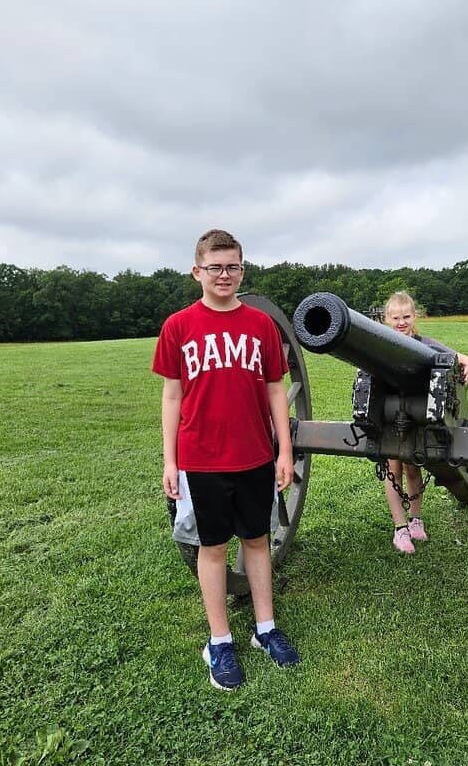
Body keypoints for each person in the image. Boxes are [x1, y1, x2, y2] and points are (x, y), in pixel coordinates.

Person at [152, 229, 301, 691]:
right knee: (213, 548)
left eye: (232, 266)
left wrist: (285, 450)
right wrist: (170, 460)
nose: (224, 275)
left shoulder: (259, 325)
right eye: (215, 267)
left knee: (256, 541)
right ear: (197, 271)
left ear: (242, 270)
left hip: (254, 453)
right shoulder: (179, 326)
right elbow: (172, 394)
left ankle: (265, 629)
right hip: (202, 457)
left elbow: (277, 386)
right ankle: (219, 640)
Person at [381, 291, 468, 554]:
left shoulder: (424, 343)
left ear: (415, 316)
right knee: (393, 470)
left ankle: (416, 519)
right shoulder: (380, 345)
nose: (401, 322)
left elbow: (460, 358)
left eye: (406, 316)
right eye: (396, 317)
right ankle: (399, 528)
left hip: (418, 414)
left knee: (413, 468)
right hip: (389, 416)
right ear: (387, 319)